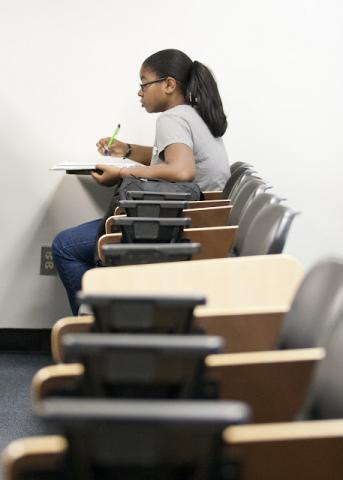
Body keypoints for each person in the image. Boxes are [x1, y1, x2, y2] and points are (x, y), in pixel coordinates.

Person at [52, 48, 230, 315]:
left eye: (144, 83)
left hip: (176, 226)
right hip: (205, 221)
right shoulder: (193, 114)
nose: (140, 92)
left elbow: (182, 171)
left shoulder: (172, 118)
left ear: (169, 84)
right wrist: (127, 151)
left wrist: (122, 174)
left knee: (65, 247)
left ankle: (92, 328)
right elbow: (170, 158)